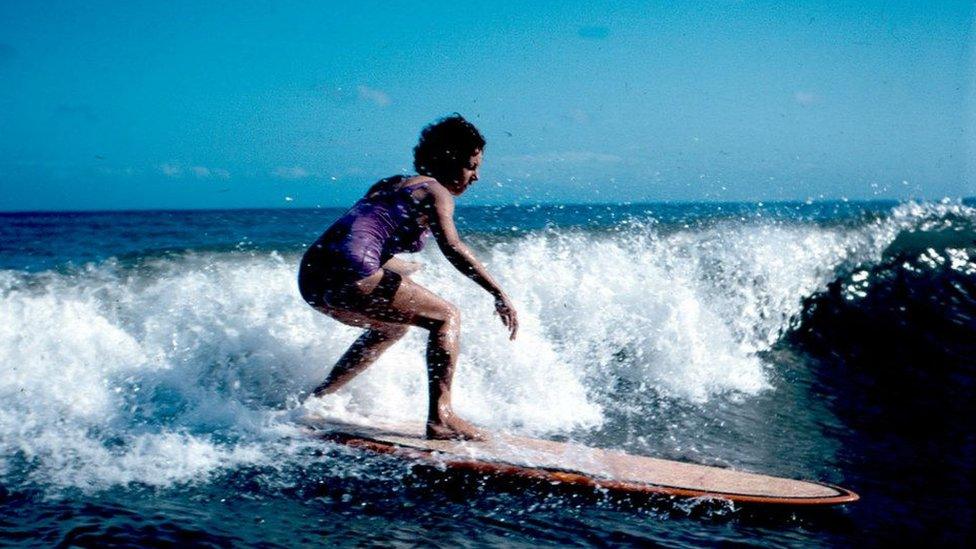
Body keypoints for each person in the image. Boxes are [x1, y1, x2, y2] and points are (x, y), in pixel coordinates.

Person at [298, 114, 518, 441]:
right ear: (449, 160)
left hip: (312, 277)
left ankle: (318, 399)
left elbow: (360, 241)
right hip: (352, 271)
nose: (476, 177)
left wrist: (406, 269)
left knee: (391, 326)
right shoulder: (436, 192)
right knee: (446, 317)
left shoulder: (391, 184)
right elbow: (453, 246)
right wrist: (498, 292)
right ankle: (441, 418)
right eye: (471, 166)